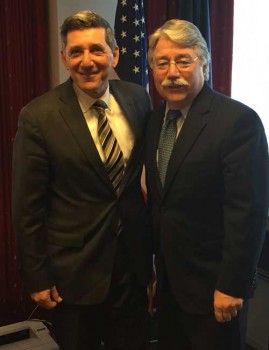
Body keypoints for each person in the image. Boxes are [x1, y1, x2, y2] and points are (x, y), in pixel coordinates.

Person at [12, 10, 153, 350]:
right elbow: (27, 206)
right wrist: (38, 276)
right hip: (74, 274)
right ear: (64, 58)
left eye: (96, 50)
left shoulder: (138, 99)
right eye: (76, 52)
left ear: (114, 54)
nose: (87, 61)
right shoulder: (38, 116)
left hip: (132, 266)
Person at [144, 19, 269, 350]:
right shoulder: (155, 121)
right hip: (171, 287)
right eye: (162, 62)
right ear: (152, 70)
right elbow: (164, 204)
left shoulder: (238, 122)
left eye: (183, 60)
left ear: (205, 64)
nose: (172, 71)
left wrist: (232, 286)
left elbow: (249, 212)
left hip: (216, 290)